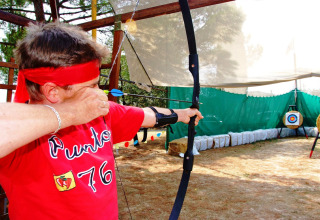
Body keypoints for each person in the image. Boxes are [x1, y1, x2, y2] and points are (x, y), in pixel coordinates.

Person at [0, 22, 203, 220]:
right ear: (52, 91)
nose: (101, 95)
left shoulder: (98, 114)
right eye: (92, 86)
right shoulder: (20, 137)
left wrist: (183, 114)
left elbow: (147, 115)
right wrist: (70, 113)